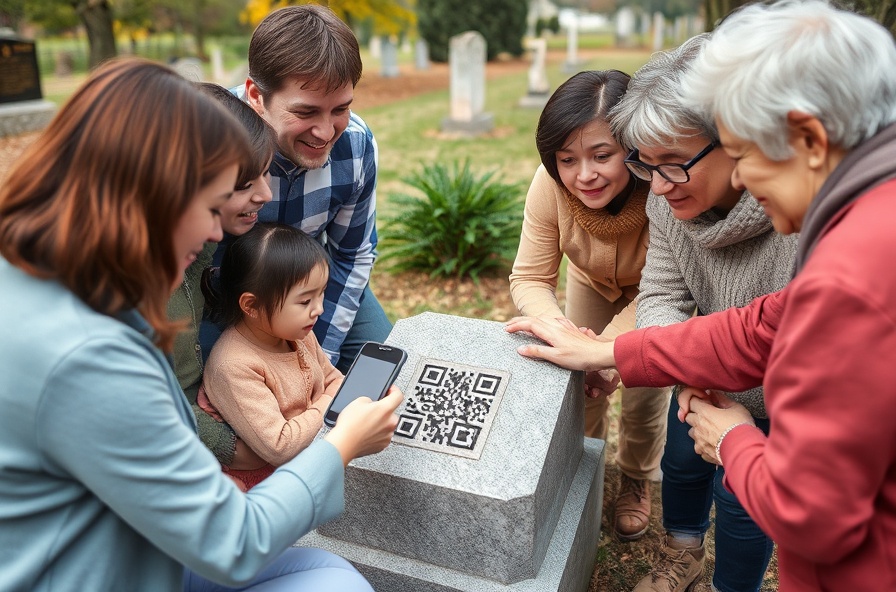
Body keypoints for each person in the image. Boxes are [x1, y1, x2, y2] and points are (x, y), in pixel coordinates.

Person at [507, 2, 896, 590]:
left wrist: (736, 441)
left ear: (809, 139)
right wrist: (616, 354)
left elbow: (813, 513)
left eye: (743, 155)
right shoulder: (862, 225)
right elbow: (764, 325)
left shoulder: (853, 265)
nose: (741, 179)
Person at [0, 57, 402, 592]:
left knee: (328, 573)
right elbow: (233, 542)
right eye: (212, 205)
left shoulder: (46, 282)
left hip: (140, 542)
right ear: (151, 197)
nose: (216, 232)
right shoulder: (87, 356)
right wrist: (340, 443)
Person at [509, 69, 668, 542]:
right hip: (590, 283)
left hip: (656, 293)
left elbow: (663, 292)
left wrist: (610, 353)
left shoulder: (663, 188)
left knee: (643, 391)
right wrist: (566, 336)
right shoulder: (548, 185)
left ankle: (637, 476)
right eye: (567, 159)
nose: (584, 175)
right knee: (579, 383)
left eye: (603, 155)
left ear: (633, 149)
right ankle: (584, 470)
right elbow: (531, 276)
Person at [228, 4, 392, 373]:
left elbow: (352, 255)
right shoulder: (214, 135)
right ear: (256, 96)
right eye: (305, 113)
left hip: (316, 282)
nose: (325, 132)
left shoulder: (355, 143)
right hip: (226, 294)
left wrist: (320, 355)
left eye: (340, 109)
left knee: (382, 369)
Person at [168, 81, 276, 468]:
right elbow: (161, 413)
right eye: (245, 185)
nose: (267, 194)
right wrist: (239, 453)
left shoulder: (199, 247)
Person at [200, 223, 342, 491]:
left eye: (321, 294)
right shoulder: (234, 365)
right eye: (304, 301)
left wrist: (331, 396)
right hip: (267, 485)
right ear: (251, 305)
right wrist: (333, 401)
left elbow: (334, 378)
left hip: (308, 458)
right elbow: (280, 445)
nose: (319, 309)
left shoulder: (296, 334)